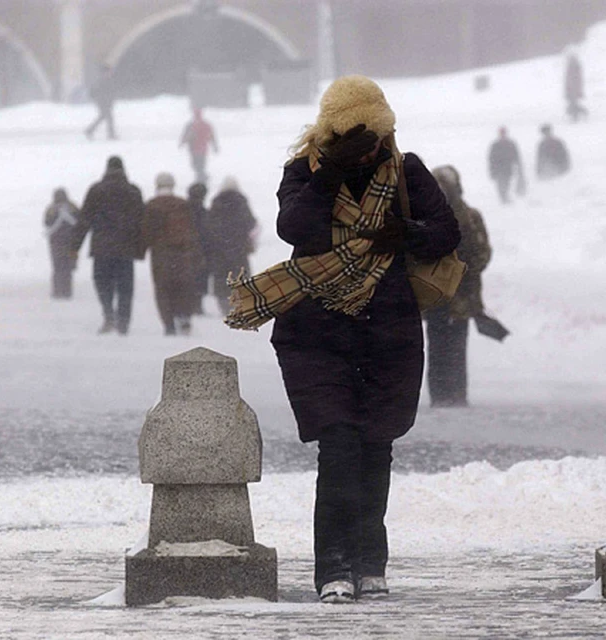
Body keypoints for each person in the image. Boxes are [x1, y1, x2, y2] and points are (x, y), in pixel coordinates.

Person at [225, 75, 460, 604]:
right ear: (331, 135)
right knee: (338, 444)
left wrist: (408, 232)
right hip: (315, 331)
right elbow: (296, 228)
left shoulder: (406, 172)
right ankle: (333, 567)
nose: (367, 150)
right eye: (354, 140)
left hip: (388, 330)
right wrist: (330, 173)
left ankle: (369, 560)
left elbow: (448, 232)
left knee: (376, 444)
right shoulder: (304, 173)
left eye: (373, 139)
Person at [426, 165, 492, 407]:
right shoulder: (427, 216)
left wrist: (461, 271)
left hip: (458, 295)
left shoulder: (469, 217)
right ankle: (443, 396)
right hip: (439, 295)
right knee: (439, 347)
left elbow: (482, 254)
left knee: (452, 346)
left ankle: (453, 396)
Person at [72, 156, 144, 335]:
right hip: (125, 248)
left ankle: (108, 315)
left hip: (101, 247)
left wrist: (74, 246)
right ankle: (123, 322)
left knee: (102, 283)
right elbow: (141, 221)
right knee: (125, 287)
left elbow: (84, 219)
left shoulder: (96, 190)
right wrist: (141, 248)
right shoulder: (133, 191)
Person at [140, 173, 203, 336]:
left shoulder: (152, 205)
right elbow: (192, 229)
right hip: (183, 252)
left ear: (157, 185)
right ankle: (185, 318)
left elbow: (146, 232)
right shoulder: (183, 204)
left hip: (161, 253)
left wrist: (141, 249)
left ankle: (169, 324)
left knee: (163, 289)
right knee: (184, 286)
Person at [206, 177, 258, 316]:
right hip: (238, 247)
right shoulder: (241, 201)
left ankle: (224, 305)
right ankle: (241, 304)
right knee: (240, 276)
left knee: (221, 276)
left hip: (220, 248)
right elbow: (250, 221)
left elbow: (210, 224)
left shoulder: (216, 201)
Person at [43, 187, 80, 299]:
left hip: (56, 243)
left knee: (57, 268)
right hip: (71, 242)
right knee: (68, 268)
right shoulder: (73, 207)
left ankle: (57, 292)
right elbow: (80, 220)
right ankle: (67, 292)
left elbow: (46, 222)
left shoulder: (51, 208)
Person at [187, 182, 212, 315]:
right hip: (201, 250)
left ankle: (191, 305)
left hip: (187, 250)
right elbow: (207, 232)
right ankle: (197, 305)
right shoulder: (203, 212)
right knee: (200, 278)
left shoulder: (184, 210)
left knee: (190, 277)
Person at [180, 107, 219, 184]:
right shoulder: (206, 124)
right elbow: (212, 136)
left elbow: (185, 135)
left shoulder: (191, 125)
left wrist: (182, 142)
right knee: (200, 164)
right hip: (202, 148)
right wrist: (214, 146)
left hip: (194, 149)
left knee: (196, 164)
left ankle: (201, 177)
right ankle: (202, 176)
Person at [488, 127, 524, 204]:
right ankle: (503, 198)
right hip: (498, 169)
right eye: (501, 133)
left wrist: (519, 168)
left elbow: (516, 156)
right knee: (500, 184)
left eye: (503, 133)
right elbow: (491, 159)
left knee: (507, 183)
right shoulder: (495, 145)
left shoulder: (510, 144)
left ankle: (505, 197)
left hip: (508, 168)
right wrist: (492, 170)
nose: (502, 134)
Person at [84, 64, 117, 140]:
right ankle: (110, 134)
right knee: (108, 118)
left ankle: (90, 130)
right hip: (103, 102)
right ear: (105, 72)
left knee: (103, 117)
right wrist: (105, 99)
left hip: (105, 102)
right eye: (109, 71)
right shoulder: (102, 80)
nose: (110, 73)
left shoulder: (104, 80)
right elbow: (102, 92)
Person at [564, 54, 587, 121]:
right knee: (573, 103)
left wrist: (575, 89)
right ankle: (581, 112)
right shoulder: (571, 67)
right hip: (571, 88)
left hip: (573, 89)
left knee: (573, 103)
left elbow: (575, 79)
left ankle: (575, 116)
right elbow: (568, 79)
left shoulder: (574, 67)